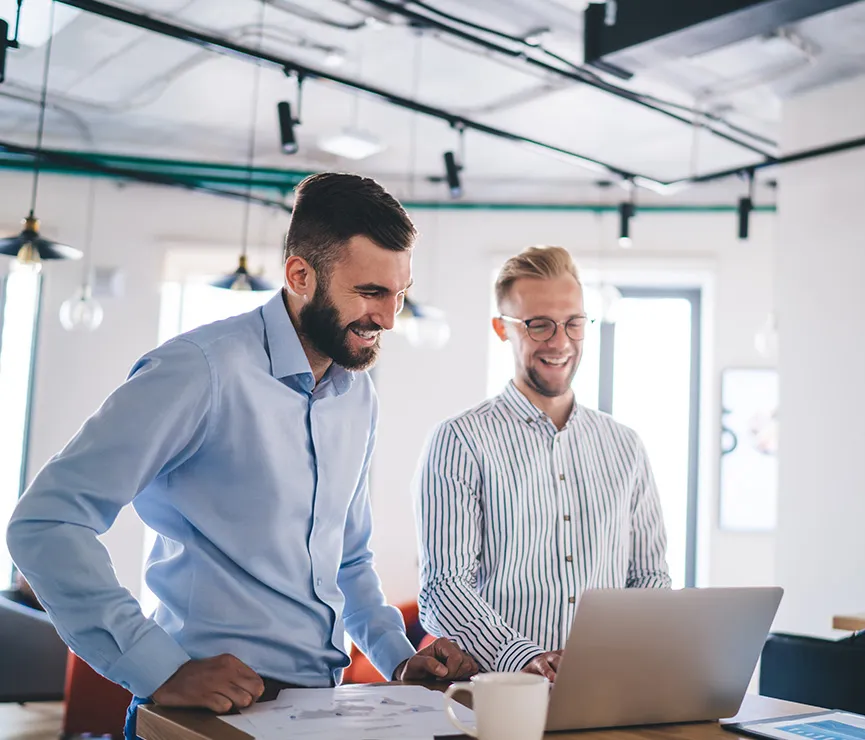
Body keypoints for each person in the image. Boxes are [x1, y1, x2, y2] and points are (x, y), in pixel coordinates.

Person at [6, 173, 477, 730]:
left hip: (317, 708)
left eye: (399, 294)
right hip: (202, 716)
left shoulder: (356, 394)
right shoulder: (199, 368)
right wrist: (159, 668)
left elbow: (347, 559)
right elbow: (47, 521)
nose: (390, 318)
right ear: (300, 275)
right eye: (371, 292)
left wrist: (398, 658)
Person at [414, 245, 671, 681]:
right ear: (502, 328)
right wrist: (523, 657)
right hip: (500, 694)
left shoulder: (626, 447)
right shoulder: (460, 441)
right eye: (539, 325)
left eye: (573, 323)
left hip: (607, 688)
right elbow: (444, 589)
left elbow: (650, 577)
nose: (560, 341)